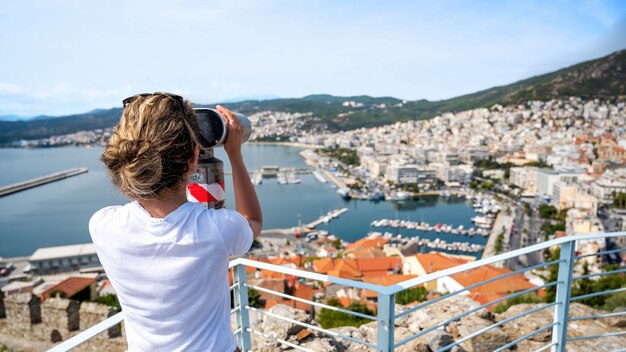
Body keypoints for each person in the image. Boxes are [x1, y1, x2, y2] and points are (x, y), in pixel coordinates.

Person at [89, 92, 262, 352]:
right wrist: (235, 155)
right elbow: (253, 221)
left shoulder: (103, 225)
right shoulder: (218, 229)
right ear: (193, 158)